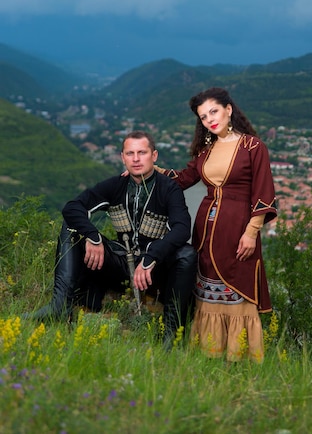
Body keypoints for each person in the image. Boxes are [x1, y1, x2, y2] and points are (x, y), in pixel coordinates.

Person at [25, 131, 197, 345]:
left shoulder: (169, 188)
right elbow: (73, 207)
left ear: (154, 156)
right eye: (130, 153)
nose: (136, 159)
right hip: (121, 264)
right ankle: (60, 305)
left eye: (142, 152)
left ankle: (171, 333)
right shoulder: (115, 185)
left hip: (155, 271)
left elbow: (182, 229)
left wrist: (152, 256)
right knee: (72, 226)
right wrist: (93, 236)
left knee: (187, 254)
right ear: (122, 157)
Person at [156, 87, 277, 362]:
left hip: (238, 229)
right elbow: (184, 178)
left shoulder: (253, 147)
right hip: (206, 230)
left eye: (213, 111)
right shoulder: (207, 150)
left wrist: (251, 232)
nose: (209, 119)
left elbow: (263, 192)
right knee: (206, 286)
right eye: (202, 116)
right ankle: (208, 353)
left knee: (237, 283)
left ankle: (238, 356)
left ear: (229, 109)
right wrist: (151, 171)